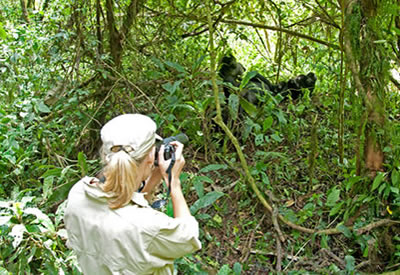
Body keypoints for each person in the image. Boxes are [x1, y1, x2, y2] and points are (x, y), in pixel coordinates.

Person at [64, 113, 201, 274]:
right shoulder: (148, 226)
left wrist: (153, 178)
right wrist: (173, 182)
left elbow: (123, 205)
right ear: (151, 156)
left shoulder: (79, 193)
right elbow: (189, 237)